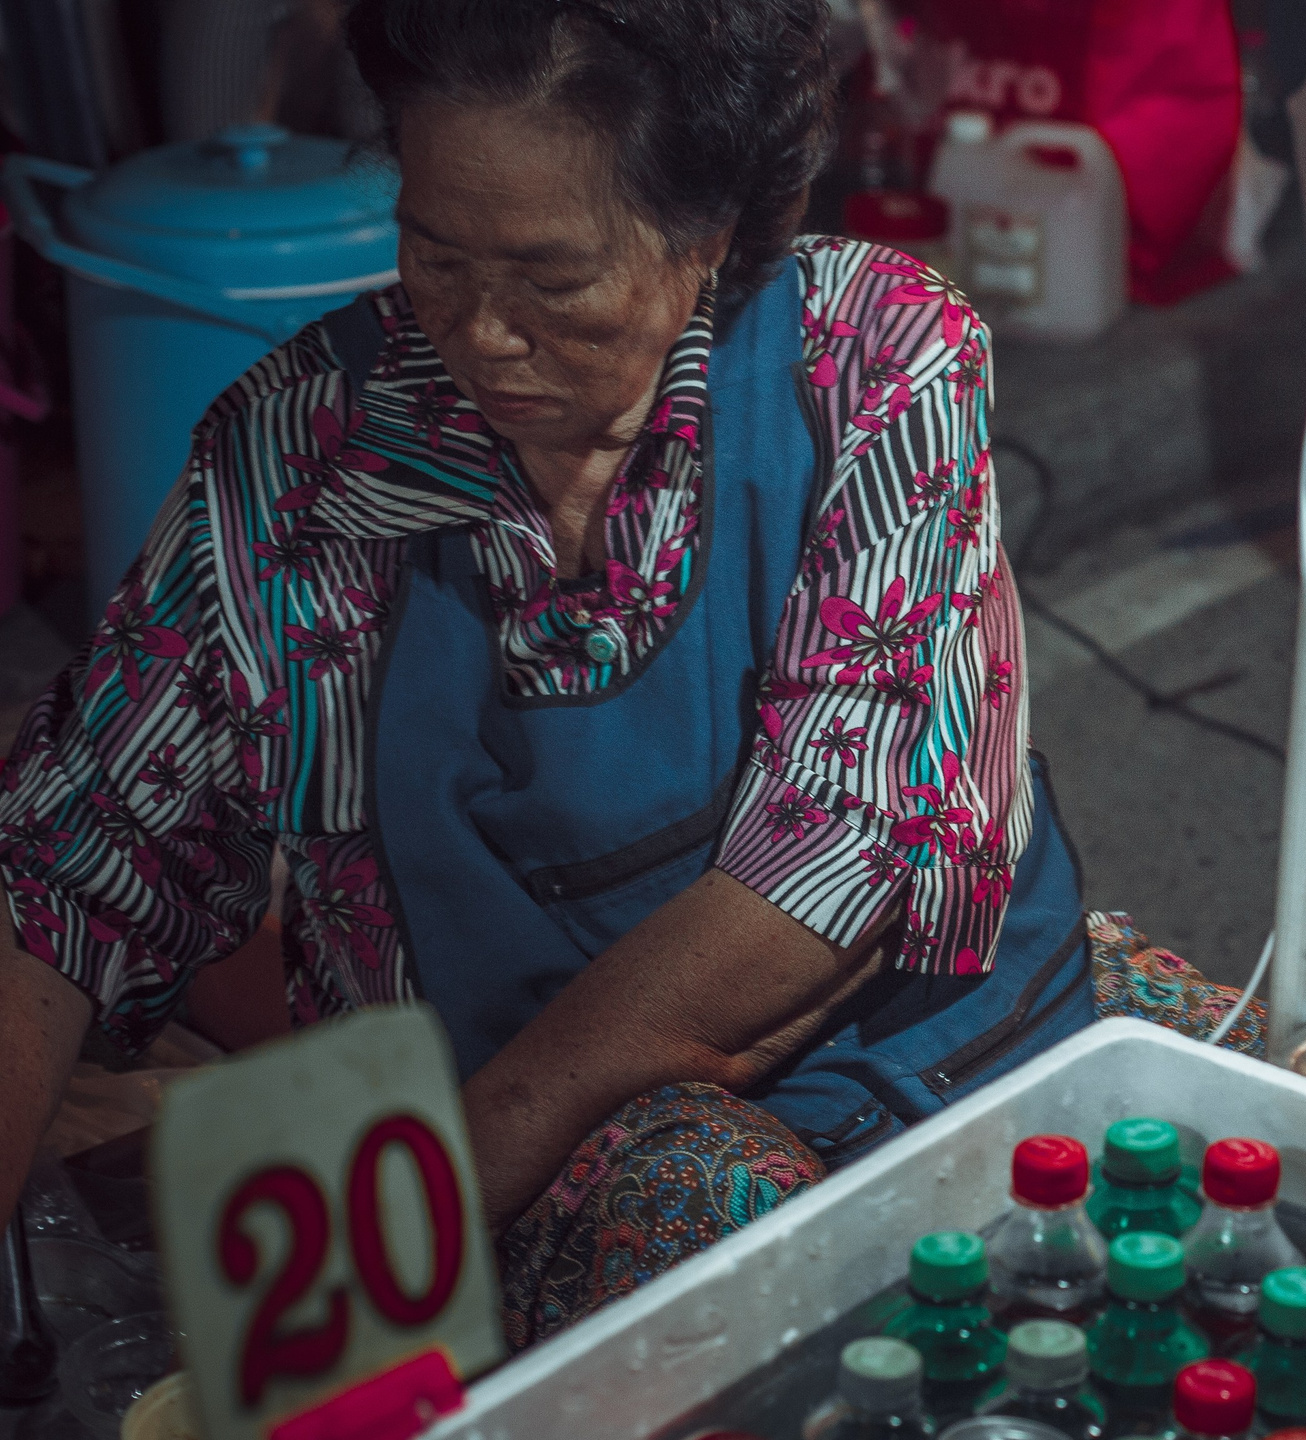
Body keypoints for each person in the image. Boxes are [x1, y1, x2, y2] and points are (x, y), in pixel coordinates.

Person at [0, 0, 1096, 1349]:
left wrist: (447, 1183)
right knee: (706, 1227)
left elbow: (840, 862)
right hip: (550, 1160)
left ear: (711, 232)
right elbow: (66, 863)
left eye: (553, 281)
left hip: (919, 1057)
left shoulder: (868, 356)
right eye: (434, 256)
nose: (483, 334)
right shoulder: (293, 455)